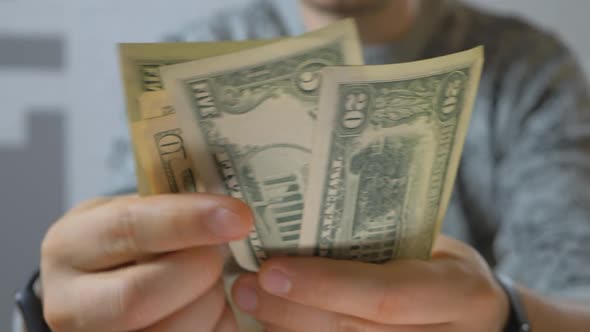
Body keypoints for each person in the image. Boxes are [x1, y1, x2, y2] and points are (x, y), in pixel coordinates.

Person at [13, 0, 590, 331]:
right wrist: (47, 315)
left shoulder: (527, 69)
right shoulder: (187, 65)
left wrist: (505, 315)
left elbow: (577, 299)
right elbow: (113, 285)